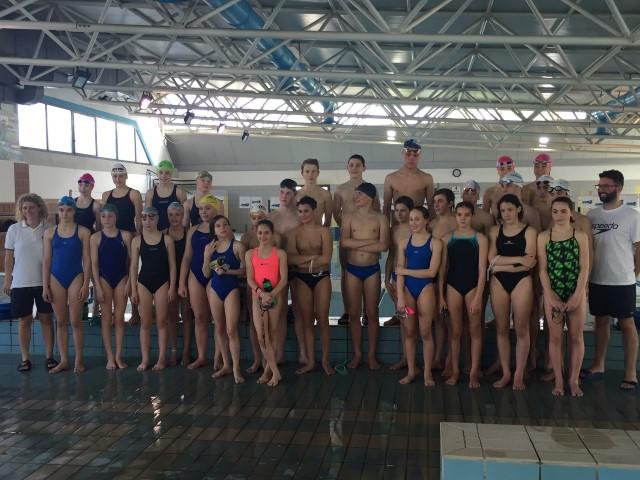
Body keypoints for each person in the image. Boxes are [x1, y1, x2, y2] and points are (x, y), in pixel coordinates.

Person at [583, 170, 640, 391]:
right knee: (600, 322)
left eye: (606, 186)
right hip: (598, 279)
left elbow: (639, 249)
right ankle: (598, 365)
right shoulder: (592, 215)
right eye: (600, 186)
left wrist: (633, 274)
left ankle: (630, 373)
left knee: (627, 324)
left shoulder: (631, 215)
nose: (602, 190)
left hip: (622, 281)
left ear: (619, 188)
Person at [538, 197, 589, 397]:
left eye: (563, 211)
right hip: (554, 291)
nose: (559, 215)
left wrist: (578, 295)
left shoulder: (580, 236)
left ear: (571, 213)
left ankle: (573, 381)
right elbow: (542, 270)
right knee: (555, 338)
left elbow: (584, 268)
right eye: (555, 211)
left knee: (576, 337)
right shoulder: (544, 237)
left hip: (575, 291)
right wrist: (550, 296)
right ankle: (559, 380)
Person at [487, 194, 537, 390]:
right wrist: (518, 260)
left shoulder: (529, 231)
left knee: (521, 328)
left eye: (509, 209)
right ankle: (506, 373)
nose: (506, 214)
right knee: (501, 328)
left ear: (518, 209)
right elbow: (490, 260)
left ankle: (518, 374)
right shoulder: (494, 231)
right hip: (499, 282)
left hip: (522, 281)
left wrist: (500, 264)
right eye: (502, 211)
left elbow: (530, 262)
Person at [3, 193, 56, 372]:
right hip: (20, 282)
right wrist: (8, 280)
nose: (28, 211)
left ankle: (49, 356)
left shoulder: (48, 229)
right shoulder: (14, 229)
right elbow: (8, 257)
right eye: (24, 208)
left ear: (39, 208)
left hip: (44, 282)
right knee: (24, 320)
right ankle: (25, 359)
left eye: (31, 207)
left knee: (46, 318)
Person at [341, 182, 389, 370]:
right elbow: (344, 242)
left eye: (359, 194)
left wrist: (357, 243)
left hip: (372, 270)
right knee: (354, 314)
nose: (356, 197)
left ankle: (371, 356)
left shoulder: (381, 218)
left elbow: (384, 246)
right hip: (352, 269)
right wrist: (371, 242)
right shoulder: (348, 217)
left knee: (372, 313)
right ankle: (357, 355)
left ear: (370, 197)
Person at [439, 202, 488, 388]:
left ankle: (473, 373)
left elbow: (482, 270)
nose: (463, 218)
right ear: (455, 216)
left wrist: (478, 297)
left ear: (472, 216)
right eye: (459, 214)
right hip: (452, 286)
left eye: (466, 215)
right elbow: (443, 270)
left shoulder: (480, 238)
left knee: (475, 331)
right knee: (455, 331)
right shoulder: (447, 239)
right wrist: (441, 295)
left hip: (473, 287)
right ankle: (455, 372)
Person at [42, 196, 92, 373]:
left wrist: (86, 284)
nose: (65, 213)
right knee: (61, 321)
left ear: (74, 211)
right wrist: (45, 286)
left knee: (75, 321)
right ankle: (64, 360)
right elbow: (46, 261)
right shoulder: (49, 233)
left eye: (69, 210)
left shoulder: (83, 232)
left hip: (76, 276)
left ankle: (79, 359)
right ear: (58, 211)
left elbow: (87, 260)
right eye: (62, 210)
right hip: (55, 278)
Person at [286, 196, 334, 375]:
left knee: (323, 319)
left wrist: (303, 259)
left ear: (315, 211)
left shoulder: (324, 232)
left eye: (306, 211)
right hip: (301, 278)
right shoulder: (293, 233)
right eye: (300, 211)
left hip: (321, 277)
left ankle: (325, 360)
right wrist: (313, 257)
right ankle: (311, 362)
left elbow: (326, 259)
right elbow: (291, 259)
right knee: (307, 320)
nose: (303, 214)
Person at [395, 206, 442, 386]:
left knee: (425, 331)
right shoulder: (403, 243)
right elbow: (398, 273)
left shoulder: (435, 243)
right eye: (411, 220)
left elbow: (431, 272)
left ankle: (427, 373)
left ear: (426, 220)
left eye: (417, 219)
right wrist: (400, 297)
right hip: (407, 289)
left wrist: (406, 271)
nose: (413, 223)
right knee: (409, 331)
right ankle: (411, 371)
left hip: (425, 288)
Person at [333, 154, 380, 325]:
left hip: (367, 236)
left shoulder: (371, 189)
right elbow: (336, 212)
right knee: (346, 272)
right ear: (347, 167)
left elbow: (377, 211)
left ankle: (368, 312)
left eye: (358, 165)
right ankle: (348, 311)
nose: (354, 168)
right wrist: (347, 229)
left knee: (369, 272)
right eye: (351, 165)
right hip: (347, 236)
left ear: (364, 168)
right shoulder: (340, 189)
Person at [130, 206, 176, 371]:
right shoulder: (137, 241)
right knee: (145, 322)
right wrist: (133, 289)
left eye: (151, 217)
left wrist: (172, 287)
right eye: (144, 218)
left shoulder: (167, 240)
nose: (147, 221)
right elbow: (133, 266)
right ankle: (145, 359)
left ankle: (162, 358)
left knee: (162, 321)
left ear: (157, 219)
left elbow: (172, 265)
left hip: (162, 282)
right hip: (144, 282)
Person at [203, 215, 246, 384]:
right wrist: (207, 256)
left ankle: (236, 368)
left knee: (231, 330)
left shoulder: (238, 246)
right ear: (214, 230)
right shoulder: (210, 247)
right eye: (218, 225)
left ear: (229, 227)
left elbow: (246, 271)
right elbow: (206, 273)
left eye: (225, 224)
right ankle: (226, 365)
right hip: (215, 289)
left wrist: (228, 272)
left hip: (231, 289)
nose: (222, 228)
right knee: (219, 328)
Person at [245, 219, 288, 387]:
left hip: (274, 297)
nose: (263, 236)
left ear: (272, 234)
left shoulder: (280, 254)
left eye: (266, 233)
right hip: (258, 297)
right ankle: (276, 372)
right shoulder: (250, 254)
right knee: (261, 336)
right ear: (256, 234)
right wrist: (260, 293)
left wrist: (271, 295)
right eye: (260, 233)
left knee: (272, 334)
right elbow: (250, 279)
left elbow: (283, 279)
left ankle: (268, 371)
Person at [90, 203, 132, 370]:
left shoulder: (126, 235)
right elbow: (94, 265)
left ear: (116, 217)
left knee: (119, 318)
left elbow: (132, 262)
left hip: (122, 278)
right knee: (106, 318)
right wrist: (98, 287)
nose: (106, 219)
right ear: (100, 219)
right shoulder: (95, 238)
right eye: (103, 216)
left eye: (110, 216)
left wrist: (129, 281)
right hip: (104, 279)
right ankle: (109, 357)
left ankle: (118, 356)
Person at [179, 193, 218, 370]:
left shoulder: (220, 228)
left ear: (215, 209)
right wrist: (181, 282)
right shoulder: (193, 230)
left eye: (207, 208)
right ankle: (202, 356)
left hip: (214, 275)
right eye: (201, 209)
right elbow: (187, 257)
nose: (203, 212)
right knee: (200, 317)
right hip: (195, 275)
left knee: (217, 319)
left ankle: (219, 357)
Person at [268, 179, 300, 363]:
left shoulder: (300, 216)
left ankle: (303, 354)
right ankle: (277, 354)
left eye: (288, 193)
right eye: (281, 192)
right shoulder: (271, 218)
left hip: (296, 267)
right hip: (276, 270)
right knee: (278, 313)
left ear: (295, 195)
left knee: (300, 311)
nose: (284, 196)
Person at [429, 188, 458, 372]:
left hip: (453, 274)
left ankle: (450, 360)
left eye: (440, 201)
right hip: (434, 275)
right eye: (434, 202)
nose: (436, 205)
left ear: (450, 203)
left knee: (453, 321)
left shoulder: (457, 222)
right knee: (438, 319)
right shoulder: (431, 224)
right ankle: (438, 357)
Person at [240, 204, 268, 373]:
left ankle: (268, 359)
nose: (257, 221)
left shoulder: (271, 236)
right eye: (254, 218)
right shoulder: (246, 238)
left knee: (268, 322)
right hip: (252, 284)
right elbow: (244, 265)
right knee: (254, 322)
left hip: (269, 284)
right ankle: (258, 358)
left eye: (260, 218)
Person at [164, 201, 191, 366]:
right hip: (168, 280)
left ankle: (186, 352)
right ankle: (174, 350)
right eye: (171, 215)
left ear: (183, 216)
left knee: (187, 315)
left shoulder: (189, 233)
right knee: (171, 316)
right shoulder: (163, 234)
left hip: (186, 279)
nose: (174, 218)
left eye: (177, 215)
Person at [383, 139, 435, 223]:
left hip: (418, 225)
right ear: (402, 154)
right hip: (398, 226)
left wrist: (432, 226)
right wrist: (386, 227)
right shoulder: (391, 178)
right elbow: (386, 207)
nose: (412, 158)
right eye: (408, 154)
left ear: (419, 156)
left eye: (415, 155)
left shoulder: (427, 178)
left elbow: (431, 206)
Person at [384, 196, 413, 336]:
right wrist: (386, 278)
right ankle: (405, 353)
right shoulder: (393, 230)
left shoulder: (418, 229)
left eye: (403, 210)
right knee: (403, 316)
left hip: (414, 275)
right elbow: (391, 255)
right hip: (397, 275)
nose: (399, 214)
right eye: (396, 210)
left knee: (413, 316)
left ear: (410, 211)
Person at [145, 160, 187, 231]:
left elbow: (185, 216)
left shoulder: (180, 192)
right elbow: (147, 216)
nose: (163, 176)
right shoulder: (150, 193)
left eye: (167, 173)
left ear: (171, 174)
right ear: (157, 174)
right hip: (157, 232)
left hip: (174, 232)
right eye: (161, 172)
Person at [102, 163, 143, 233]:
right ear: (112, 177)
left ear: (126, 176)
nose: (118, 179)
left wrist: (138, 235)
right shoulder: (106, 195)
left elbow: (139, 218)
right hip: (110, 234)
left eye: (121, 176)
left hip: (129, 234)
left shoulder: (134, 194)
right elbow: (103, 218)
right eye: (115, 176)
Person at [295, 158, 333, 227]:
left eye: (313, 171)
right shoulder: (296, 195)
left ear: (318, 173)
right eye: (307, 171)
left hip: (318, 231)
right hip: (300, 232)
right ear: (302, 173)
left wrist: (321, 232)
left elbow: (328, 220)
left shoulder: (325, 194)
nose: (310, 174)